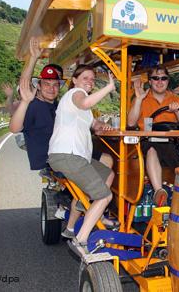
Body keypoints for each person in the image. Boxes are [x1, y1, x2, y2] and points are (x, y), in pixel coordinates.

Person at [47, 65, 118, 254]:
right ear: (75, 80)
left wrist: (104, 125)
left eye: (93, 79)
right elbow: (84, 103)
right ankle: (81, 240)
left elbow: (94, 124)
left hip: (77, 158)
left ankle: (95, 214)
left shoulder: (82, 106)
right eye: (85, 77)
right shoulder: (75, 94)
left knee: (107, 174)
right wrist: (109, 88)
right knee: (105, 195)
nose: (90, 81)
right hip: (67, 156)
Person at [127, 67, 179, 207]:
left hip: (171, 142)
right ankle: (159, 191)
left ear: (167, 80)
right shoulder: (142, 97)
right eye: (156, 78)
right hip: (148, 141)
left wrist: (177, 110)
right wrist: (139, 98)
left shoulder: (174, 98)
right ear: (150, 81)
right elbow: (130, 122)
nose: (160, 81)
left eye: (163, 78)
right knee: (152, 149)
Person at [8, 37, 63, 171]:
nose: (51, 88)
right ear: (38, 86)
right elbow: (14, 128)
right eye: (46, 84)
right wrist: (33, 59)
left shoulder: (56, 106)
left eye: (55, 84)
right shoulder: (34, 105)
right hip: (52, 161)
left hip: (63, 156)